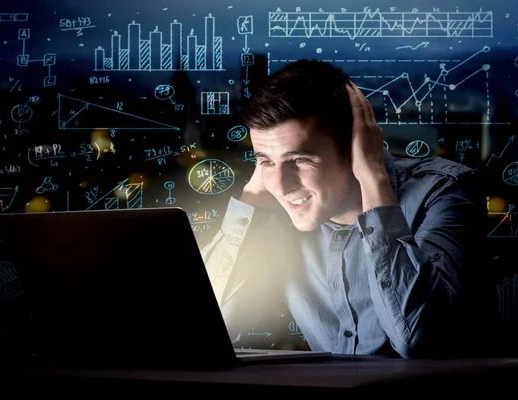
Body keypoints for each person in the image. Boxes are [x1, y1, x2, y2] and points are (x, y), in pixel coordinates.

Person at [200, 59, 493, 359]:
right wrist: (252, 197)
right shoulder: (275, 211)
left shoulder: (445, 191)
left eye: (300, 160)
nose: (280, 185)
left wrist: (373, 178)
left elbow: (417, 339)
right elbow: (212, 328)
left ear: (355, 146)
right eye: (266, 161)